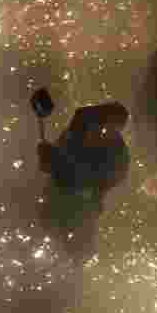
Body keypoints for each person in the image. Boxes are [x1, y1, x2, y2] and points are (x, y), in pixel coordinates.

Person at [37, 101, 130, 259]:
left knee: (77, 255)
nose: (102, 129)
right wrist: (48, 157)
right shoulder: (77, 132)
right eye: (101, 124)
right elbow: (53, 165)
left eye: (111, 127)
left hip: (81, 211)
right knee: (49, 248)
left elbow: (96, 180)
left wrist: (56, 160)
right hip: (56, 204)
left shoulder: (117, 152)